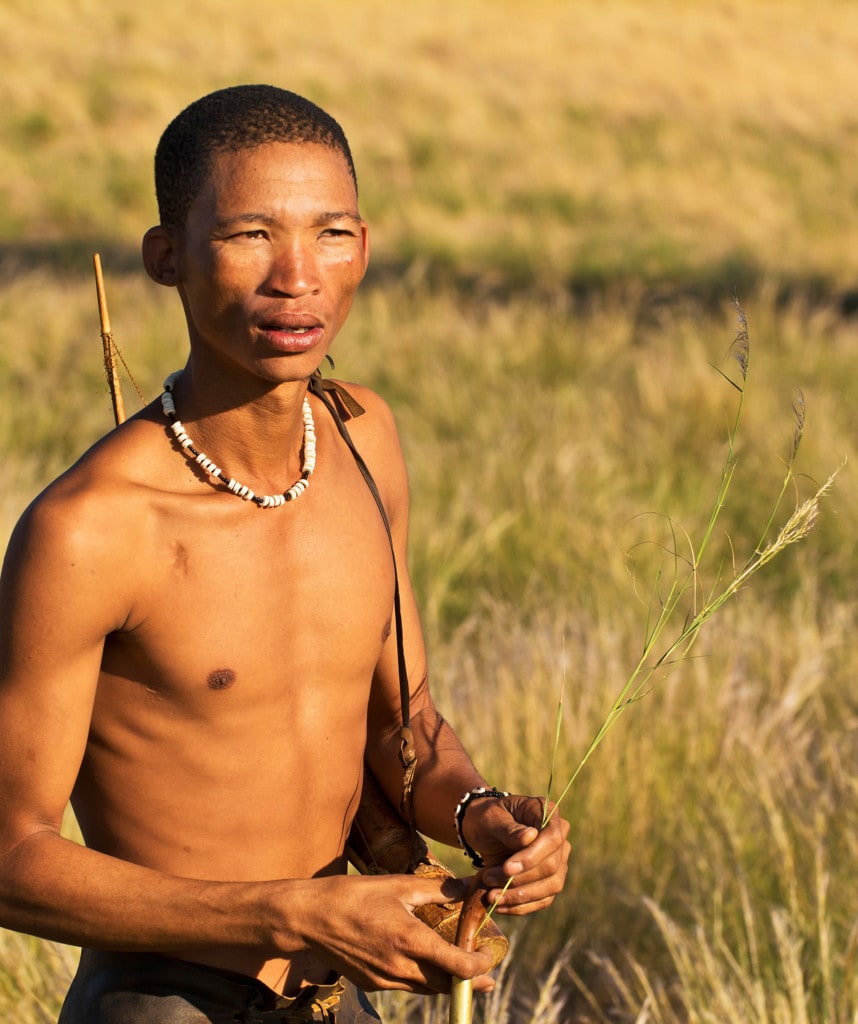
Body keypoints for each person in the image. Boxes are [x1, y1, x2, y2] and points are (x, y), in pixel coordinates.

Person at [0, 85, 571, 1023]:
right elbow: (11, 859)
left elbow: (405, 721)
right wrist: (292, 911)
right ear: (167, 258)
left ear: (365, 247)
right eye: (250, 235)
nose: (296, 276)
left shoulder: (363, 439)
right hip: (165, 1001)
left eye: (331, 234)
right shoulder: (92, 528)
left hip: (333, 991)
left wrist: (483, 815)